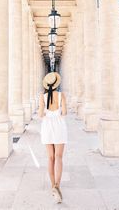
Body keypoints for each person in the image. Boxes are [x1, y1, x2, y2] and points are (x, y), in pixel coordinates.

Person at [38, 72, 68, 203]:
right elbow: (65, 112)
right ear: (56, 84)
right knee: (59, 157)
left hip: (47, 127)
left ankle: (52, 186)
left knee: (50, 158)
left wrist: (46, 112)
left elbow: (40, 114)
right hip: (59, 126)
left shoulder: (42, 97)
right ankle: (57, 185)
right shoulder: (61, 95)